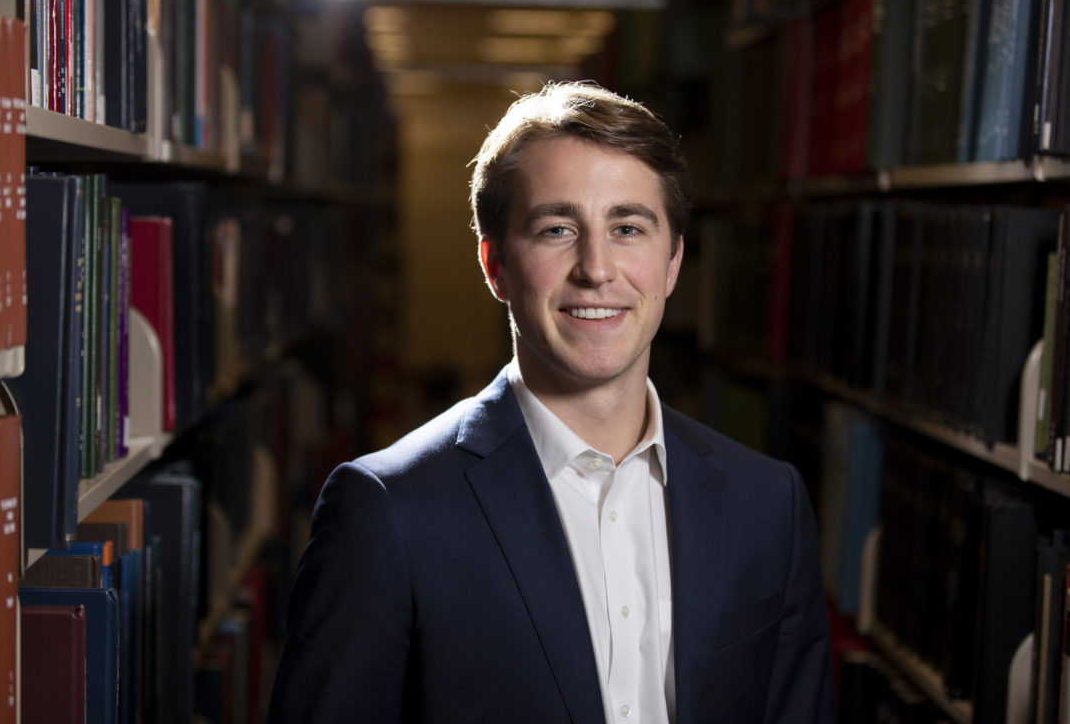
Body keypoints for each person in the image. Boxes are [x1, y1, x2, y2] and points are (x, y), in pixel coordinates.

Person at [267, 82, 836, 723]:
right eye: (557, 229)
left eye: (628, 228)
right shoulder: (390, 511)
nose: (596, 269)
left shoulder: (768, 504)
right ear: (495, 266)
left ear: (673, 262)